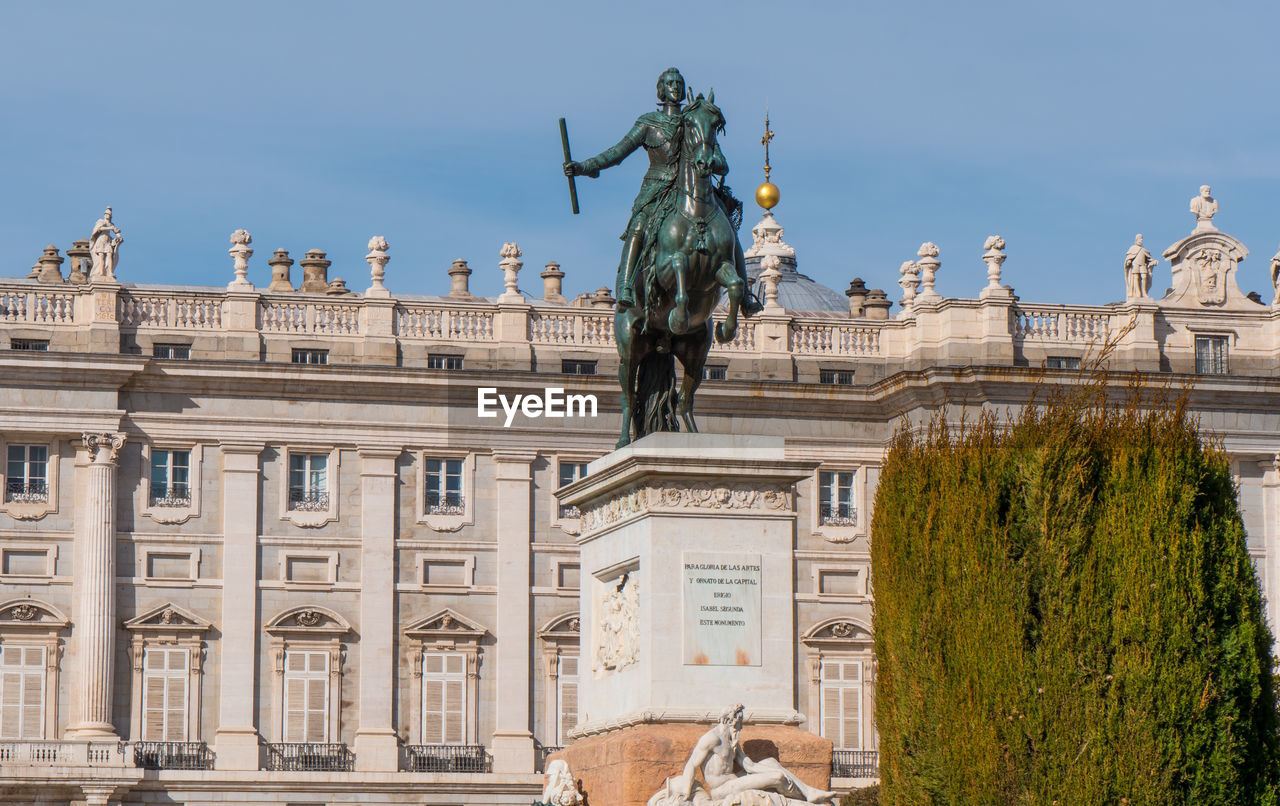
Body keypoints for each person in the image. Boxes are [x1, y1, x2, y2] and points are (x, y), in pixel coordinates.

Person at [564, 68, 762, 315]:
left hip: (695, 189)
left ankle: (744, 297)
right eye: (670, 83)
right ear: (661, 89)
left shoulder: (694, 119)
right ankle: (626, 286)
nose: (675, 87)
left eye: (679, 83)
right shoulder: (648, 123)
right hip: (656, 188)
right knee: (638, 225)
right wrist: (585, 167)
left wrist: (713, 162)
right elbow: (618, 152)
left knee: (729, 231)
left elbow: (722, 163)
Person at [667, 704, 835, 806]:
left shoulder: (732, 740)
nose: (741, 726)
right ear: (731, 720)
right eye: (740, 721)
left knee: (770, 762)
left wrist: (769, 770)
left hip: (736, 781)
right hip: (722, 790)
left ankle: (808, 792)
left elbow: (750, 766)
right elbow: (692, 765)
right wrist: (686, 792)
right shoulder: (711, 738)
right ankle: (803, 797)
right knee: (777, 777)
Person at [89, 207, 123, 278]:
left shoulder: (111, 224)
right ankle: (101, 272)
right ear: (104, 215)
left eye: (109, 215)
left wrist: (119, 237)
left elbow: (116, 232)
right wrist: (110, 228)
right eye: (107, 214)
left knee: (110, 256)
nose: (108, 216)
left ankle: (109, 272)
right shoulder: (101, 221)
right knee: (101, 257)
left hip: (108, 241)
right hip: (101, 240)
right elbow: (99, 229)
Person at [1123, 234, 1156, 300]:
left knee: (1144, 277)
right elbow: (1129, 257)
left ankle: (1144, 292)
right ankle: (1138, 292)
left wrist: (1154, 261)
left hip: (1143, 265)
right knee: (1136, 277)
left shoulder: (1144, 250)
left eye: (1141, 239)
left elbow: (1149, 258)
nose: (1141, 240)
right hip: (1135, 265)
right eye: (1139, 239)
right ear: (1136, 240)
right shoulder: (1132, 248)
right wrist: (1129, 261)